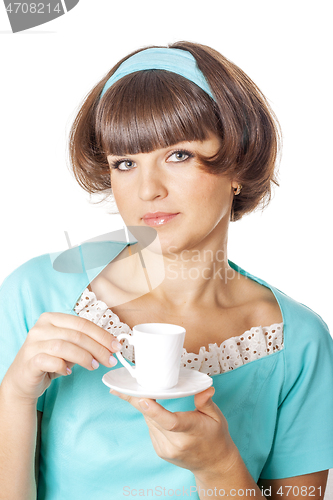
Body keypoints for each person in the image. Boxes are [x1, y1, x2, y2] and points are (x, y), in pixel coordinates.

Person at [0, 41, 333, 500]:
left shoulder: (299, 343)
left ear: (238, 161)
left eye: (178, 155)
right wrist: (15, 396)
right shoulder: (35, 296)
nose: (148, 190)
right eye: (125, 163)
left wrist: (219, 468)